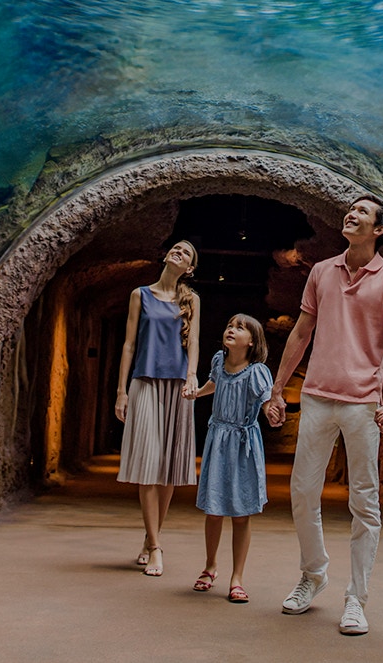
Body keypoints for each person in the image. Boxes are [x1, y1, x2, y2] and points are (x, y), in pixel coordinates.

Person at [263, 194, 383, 636]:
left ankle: (356, 599)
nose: (351, 213)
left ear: (379, 229)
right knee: (302, 493)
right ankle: (313, 574)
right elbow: (300, 333)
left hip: (364, 402)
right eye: (351, 209)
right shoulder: (321, 271)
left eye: (362, 212)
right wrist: (276, 389)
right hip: (316, 397)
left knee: (364, 503)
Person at [115, 239, 201, 578]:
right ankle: (155, 547)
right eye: (176, 248)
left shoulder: (191, 299)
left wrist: (192, 375)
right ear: (166, 255)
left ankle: (152, 537)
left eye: (186, 253)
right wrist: (122, 391)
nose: (178, 251)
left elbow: (193, 341)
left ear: (189, 268)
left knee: (168, 470)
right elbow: (128, 344)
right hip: (145, 381)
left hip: (178, 385)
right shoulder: (140, 294)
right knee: (149, 465)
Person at [188, 313, 274, 604]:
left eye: (240, 328)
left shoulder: (256, 371)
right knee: (213, 509)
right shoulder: (217, 362)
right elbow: (215, 383)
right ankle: (210, 566)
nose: (231, 330)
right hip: (217, 439)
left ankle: (237, 577)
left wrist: (271, 412)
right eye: (229, 325)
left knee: (241, 513)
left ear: (252, 342)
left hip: (243, 444)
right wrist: (198, 393)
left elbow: (265, 399)